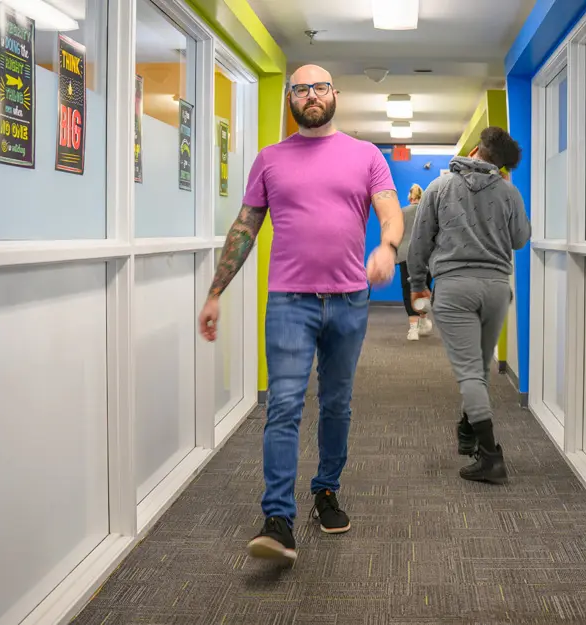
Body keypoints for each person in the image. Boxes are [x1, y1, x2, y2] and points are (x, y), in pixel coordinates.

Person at [198, 64, 403, 564]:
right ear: (291, 98)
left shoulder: (366, 155)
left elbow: (389, 209)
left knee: (336, 402)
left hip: (350, 299)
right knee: (284, 405)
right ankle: (277, 519)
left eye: (320, 87)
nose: (311, 95)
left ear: (336, 94)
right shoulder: (270, 160)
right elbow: (245, 227)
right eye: (301, 88)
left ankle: (326, 490)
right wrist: (215, 291)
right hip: (290, 301)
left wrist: (389, 247)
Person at [407, 127, 530, 484]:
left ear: (476, 149)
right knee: (479, 365)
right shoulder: (509, 192)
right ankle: (468, 430)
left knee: (470, 372)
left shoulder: (439, 188)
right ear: (502, 165)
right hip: (495, 288)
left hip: (455, 288)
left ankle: (492, 456)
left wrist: (418, 285)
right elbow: (521, 239)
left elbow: (420, 241)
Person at [395, 183, 433, 341]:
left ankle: (413, 329)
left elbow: (396, 234)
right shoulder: (429, 212)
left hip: (405, 254)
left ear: (410, 197)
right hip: (426, 255)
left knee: (408, 288)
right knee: (423, 288)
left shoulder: (401, 212)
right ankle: (423, 321)